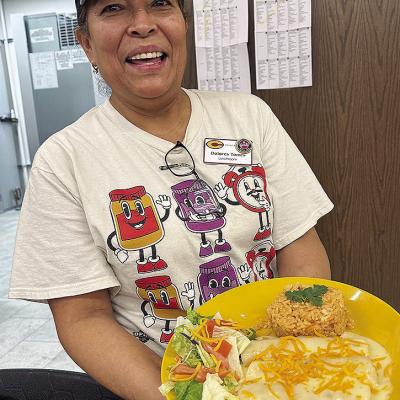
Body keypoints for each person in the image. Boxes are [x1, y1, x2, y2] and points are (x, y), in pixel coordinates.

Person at [9, 0, 333, 399]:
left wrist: (293, 364)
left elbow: (298, 244)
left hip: (280, 364)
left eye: (160, 4)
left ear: (184, 26)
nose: (142, 25)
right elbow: (84, 318)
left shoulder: (250, 116)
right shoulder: (63, 160)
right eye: (114, 8)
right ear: (87, 44)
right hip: (159, 381)